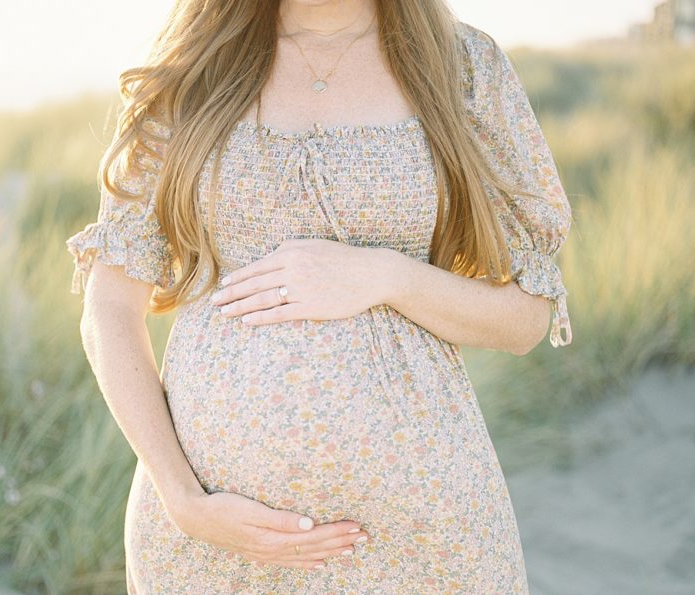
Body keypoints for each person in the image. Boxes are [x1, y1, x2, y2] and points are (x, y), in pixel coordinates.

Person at [65, 0, 573, 592]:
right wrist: (183, 500)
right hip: (213, 537)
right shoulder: (193, 67)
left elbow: (527, 318)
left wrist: (387, 276)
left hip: (423, 534)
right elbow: (110, 307)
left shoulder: (463, 64)